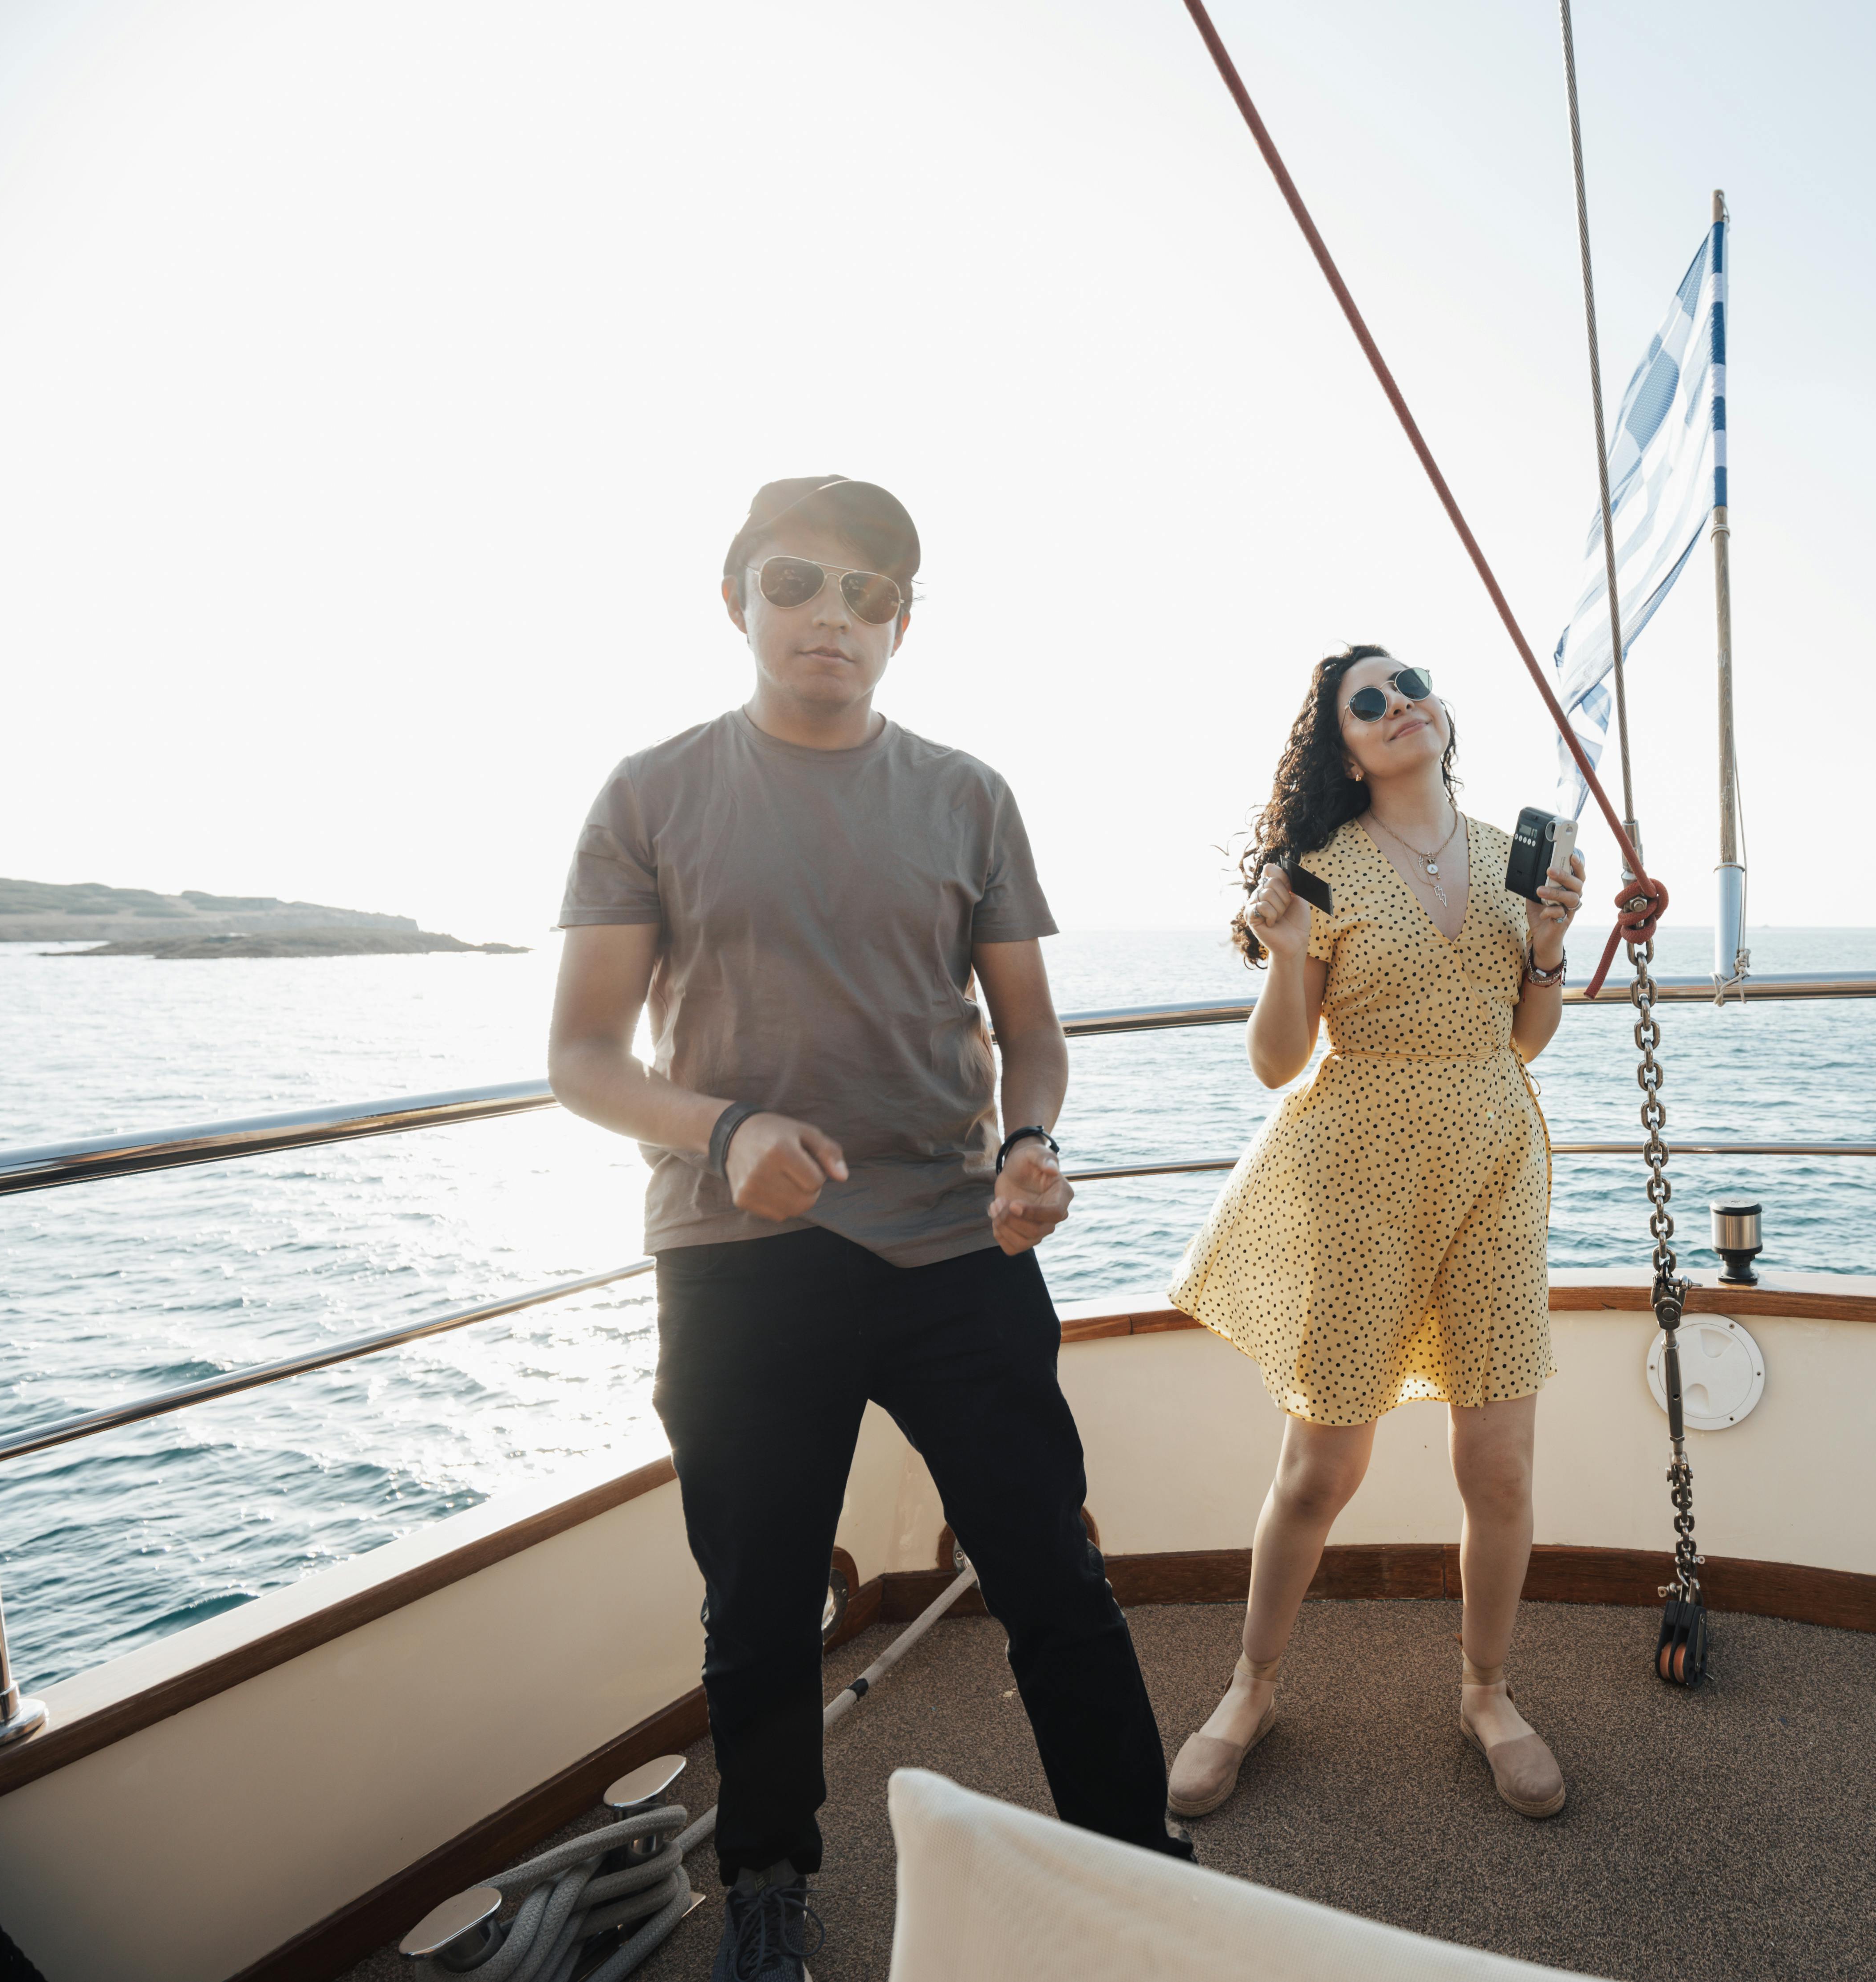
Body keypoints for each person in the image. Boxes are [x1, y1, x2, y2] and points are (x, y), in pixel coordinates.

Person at [546, 477, 1185, 1981]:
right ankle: (768, 1880)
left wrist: (1031, 1143)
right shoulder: (649, 792)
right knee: (760, 1598)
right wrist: (723, 1130)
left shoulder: (968, 795)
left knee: (1050, 1569)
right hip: (736, 1253)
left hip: (956, 1245)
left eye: (869, 593)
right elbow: (580, 1057)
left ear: (905, 621)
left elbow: (1030, 1030)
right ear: (736, 600)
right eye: (797, 583)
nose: (832, 615)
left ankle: (1138, 1860)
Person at [1161, 644, 1587, 1822]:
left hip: (1495, 1165)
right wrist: (1290, 955)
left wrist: (1547, 948)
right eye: (1369, 701)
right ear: (1343, 747)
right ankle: (1249, 1689)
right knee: (1320, 1468)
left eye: (1411, 685)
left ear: (1440, 714)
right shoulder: (1321, 868)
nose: (1399, 704)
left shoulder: (1517, 858)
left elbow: (1521, 1041)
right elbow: (1276, 1062)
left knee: (1496, 1463)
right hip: (1358, 1173)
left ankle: (1487, 1693)